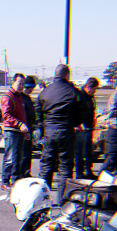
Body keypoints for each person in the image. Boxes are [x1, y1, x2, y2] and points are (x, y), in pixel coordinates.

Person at [36, 64, 82, 202]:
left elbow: (38, 109)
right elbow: (84, 110)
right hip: (66, 130)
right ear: (67, 75)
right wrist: (74, 123)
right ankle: (63, 202)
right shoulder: (73, 91)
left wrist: (42, 126)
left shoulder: (45, 91)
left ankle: (42, 200)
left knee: (46, 166)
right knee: (65, 168)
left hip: (49, 130)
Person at [0, 73, 29, 191]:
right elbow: (6, 115)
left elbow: (22, 115)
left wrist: (26, 130)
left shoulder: (20, 97)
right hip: (11, 131)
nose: (21, 86)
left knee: (19, 158)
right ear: (12, 83)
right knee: (10, 157)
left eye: (23, 84)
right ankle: (5, 181)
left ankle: (15, 181)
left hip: (20, 131)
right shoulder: (8, 97)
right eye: (19, 83)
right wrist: (19, 124)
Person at [75, 77, 99, 179]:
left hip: (89, 127)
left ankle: (88, 170)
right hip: (81, 129)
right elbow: (75, 111)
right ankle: (79, 172)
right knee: (80, 152)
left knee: (89, 151)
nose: (95, 91)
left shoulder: (91, 97)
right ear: (89, 87)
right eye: (94, 89)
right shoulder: (80, 95)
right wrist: (79, 123)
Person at [19, 76, 37, 178]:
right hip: (23, 129)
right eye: (31, 88)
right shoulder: (21, 98)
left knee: (28, 152)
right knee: (24, 153)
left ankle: (26, 172)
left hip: (29, 128)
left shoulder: (28, 98)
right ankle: (22, 173)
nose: (32, 90)